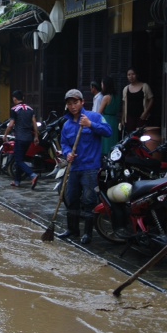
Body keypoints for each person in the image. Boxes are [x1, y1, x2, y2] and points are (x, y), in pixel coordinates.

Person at [58, 89, 112, 245]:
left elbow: (108, 131)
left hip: (90, 167)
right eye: (69, 104)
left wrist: (91, 125)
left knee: (89, 201)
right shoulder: (67, 125)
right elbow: (65, 144)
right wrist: (68, 154)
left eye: (75, 102)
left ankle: (87, 233)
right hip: (74, 167)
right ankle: (72, 230)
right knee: (72, 198)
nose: (73, 106)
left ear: (82, 102)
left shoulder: (94, 117)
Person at [2, 90, 40, 189]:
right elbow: (34, 124)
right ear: (22, 98)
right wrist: (36, 136)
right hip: (28, 138)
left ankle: (32, 175)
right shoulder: (30, 109)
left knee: (18, 160)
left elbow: (11, 125)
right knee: (20, 159)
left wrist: (5, 135)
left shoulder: (14, 109)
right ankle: (17, 181)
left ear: (14, 98)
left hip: (20, 138)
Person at [121, 67, 154, 134]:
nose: (131, 76)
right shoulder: (125, 89)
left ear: (137, 75)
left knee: (142, 136)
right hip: (130, 118)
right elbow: (124, 104)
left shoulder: (144, 86)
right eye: (129, 75)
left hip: (141, 117)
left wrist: (146, 112)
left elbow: (151, 99)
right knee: (130, 137)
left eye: (133, 74)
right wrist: (123, 119)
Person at [98, 76, 121, 156]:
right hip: (114, 120)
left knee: (106, 143)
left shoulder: (106, 97)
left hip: (106, 120)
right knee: (113, 140)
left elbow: (99, 112)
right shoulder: (117, 97)